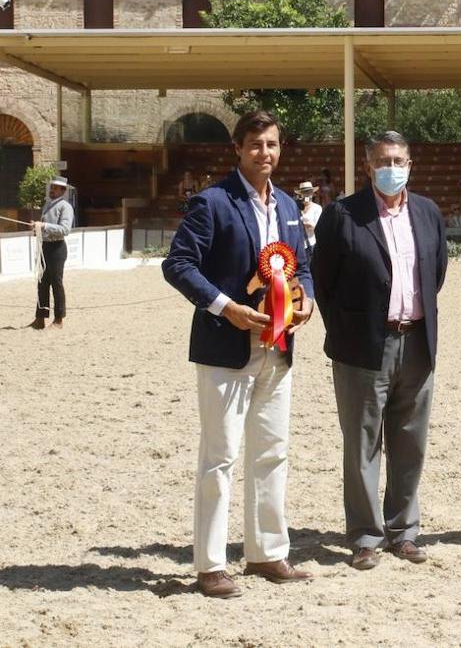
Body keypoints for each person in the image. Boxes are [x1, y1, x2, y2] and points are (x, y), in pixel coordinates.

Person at [162, 110, 316, 600]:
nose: (264, 153)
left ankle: (267, 552)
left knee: (272, 451)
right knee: (220, 456)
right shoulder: (211, 202)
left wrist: (305, 298)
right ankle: (210, 564)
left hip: (277, 346)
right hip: (226, 345)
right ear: (238, 148)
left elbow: (303, 265)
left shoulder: (289, 205)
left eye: (272, 145)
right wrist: (226, 308)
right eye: (255, 145)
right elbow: (178, 264)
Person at [311, 132, 447, 570]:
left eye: (400, 159)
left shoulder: (427, 212)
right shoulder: (342, 215)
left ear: (411, 163)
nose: (393, 167)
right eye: (384, 160)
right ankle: (366, 537)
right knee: (363, 444)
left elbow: (437, 270)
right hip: (362, 346)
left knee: (411, 442)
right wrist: (350, 327)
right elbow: (323, 280)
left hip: (417, 342)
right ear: (368, 166)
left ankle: (403, 532)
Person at [29, 176, 74, 330]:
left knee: (56, 284)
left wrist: (44, 226)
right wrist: (37, 228)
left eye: (55, 187)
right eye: (52, 186)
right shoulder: (48, 205)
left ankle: (59, 320)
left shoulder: (65, 207)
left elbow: (65, 230)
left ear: (63, 190)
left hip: (57, 249)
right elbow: (45, 228)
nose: (52, 189)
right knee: (42, 284)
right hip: (45, 247)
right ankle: (40, 318)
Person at [296, 181, 321, 250]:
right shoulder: (296, 207)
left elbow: (316, 227)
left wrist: (301, 224)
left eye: (308, 192)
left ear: (312, 194)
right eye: (304, 192)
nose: (306, 195)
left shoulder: (317, 208)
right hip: (299, 244)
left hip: (311, 244)